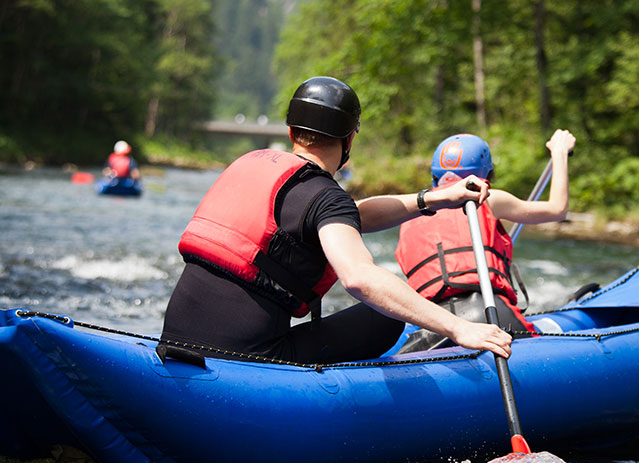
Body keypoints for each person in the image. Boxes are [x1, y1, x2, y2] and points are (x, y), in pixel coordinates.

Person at [159, 76, 512, 365]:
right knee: (385, 317)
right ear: (349, 139)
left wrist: (433, 199)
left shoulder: (256, 166)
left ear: (292, 132)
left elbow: (348, 215)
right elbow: (359, 278)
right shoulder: (325, 198)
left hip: (175, 339)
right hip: (249, 358)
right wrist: (457, 328)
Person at [394, 130, 576, 352]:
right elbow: (557, 209)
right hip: (490, 312)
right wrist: (559, 152)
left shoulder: (412, 211)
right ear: (486, 175)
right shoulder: (488, 198)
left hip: (434, 324)